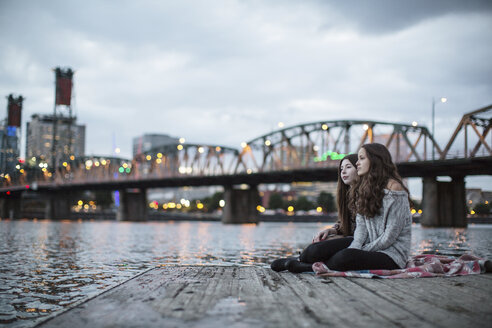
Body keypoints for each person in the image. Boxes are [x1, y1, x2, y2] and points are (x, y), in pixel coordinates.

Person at [278, 143, 412, 273]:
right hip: (368, 244)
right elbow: (361, 229)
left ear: (375, 160)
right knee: (315, 250)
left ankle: (308, 267)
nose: (358, 163)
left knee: (344, 257)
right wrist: (355, 247)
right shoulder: (364, 189)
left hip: (391, 254)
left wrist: (358, 250)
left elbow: (390, 236)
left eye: (362, 158)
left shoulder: (395, 189)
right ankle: (303, 260)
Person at [270, 153, 359, 272]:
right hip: (351, 238)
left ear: (360, 168)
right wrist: (332, 230)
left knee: (316, 251)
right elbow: (346, 223)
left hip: (360, 241)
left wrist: (340, 237)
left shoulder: (366, 194)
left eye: (348, 167)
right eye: (341, 168)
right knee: (318, 245)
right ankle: (301, 260)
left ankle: (303, 263)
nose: (343, 172)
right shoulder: (347, 195)